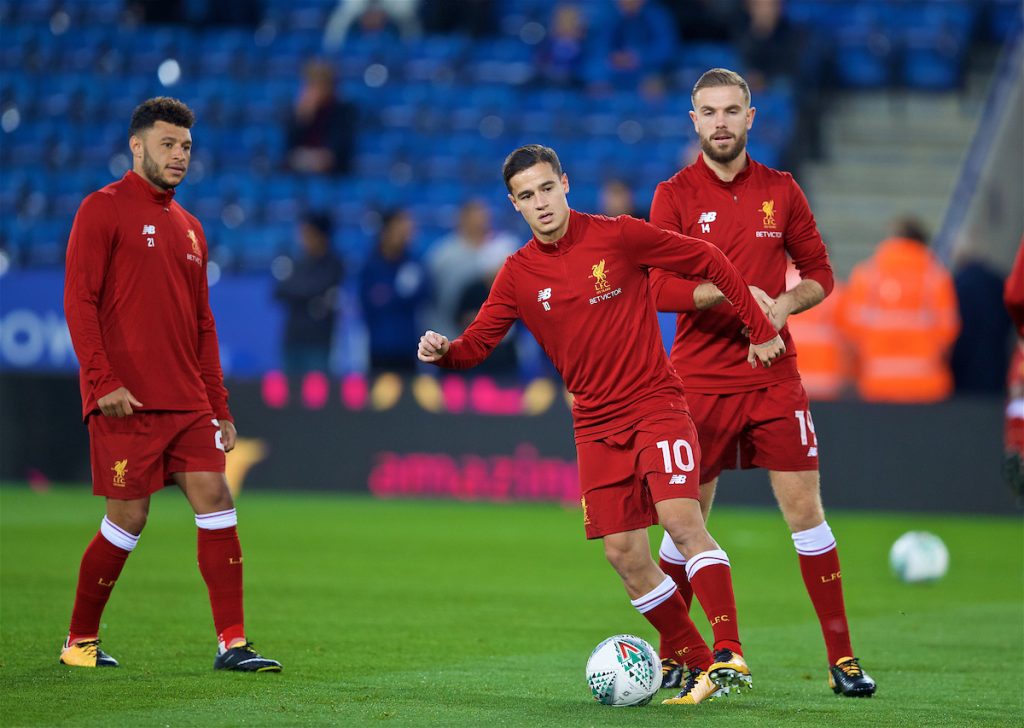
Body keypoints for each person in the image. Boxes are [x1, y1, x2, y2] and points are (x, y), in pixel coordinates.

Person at [418, 144, 787, 705]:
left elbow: (711, 260)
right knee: (624, 555)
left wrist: (758, 327)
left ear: (565, 184)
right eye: (526, 196)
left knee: (680, 520)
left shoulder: (618, 235)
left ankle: (729, 651)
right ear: (513, 206)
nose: (540, 203)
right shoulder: (517, 274)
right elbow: (478, 345)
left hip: (655, 405)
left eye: (546, 188)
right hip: (593, 424)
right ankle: (690, 661)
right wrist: (445, 351)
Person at [648, 68, 875, 697]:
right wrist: (731, 296)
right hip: (697, 381)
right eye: (708, 112)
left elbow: (821, 273)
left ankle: (844, 660)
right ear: (693, 121)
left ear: (752, 117)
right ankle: (678, 651)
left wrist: (782, 304)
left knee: (806, 511)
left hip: (774, 376)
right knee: (685, 520)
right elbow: (660, 288)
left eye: (731, 111)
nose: (720, 122)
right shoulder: (673, 196)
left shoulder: (783, 190)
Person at [61, 97, 281, 672]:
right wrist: (101, 379)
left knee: (217, 498)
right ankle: (79, 641)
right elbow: (79, 302)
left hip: (187, 401)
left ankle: (232, 642)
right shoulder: (101, 210)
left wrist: (219, 404)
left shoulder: (190, 228)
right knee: (128, 518)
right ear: (136, 146)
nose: (179, 155)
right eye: (168, 144)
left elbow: (202, 324)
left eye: (186, 146)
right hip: (125, 401)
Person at [840, 217, 960, 403]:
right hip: (926, 386)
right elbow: (948, 333)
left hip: (876, 385)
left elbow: (851, 333)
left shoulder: (865, 275)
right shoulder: (937, 278)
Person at [427, 199, 518, 337]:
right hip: (454, 334)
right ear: (462, 218)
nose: (480, 221)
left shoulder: (503, 248)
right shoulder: (443, 254)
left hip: (498, 338)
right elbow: (433, 300)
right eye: (474, 216)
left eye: (483, 215)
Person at [360, 209, 431, 373]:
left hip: (408, 347)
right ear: (386, 231)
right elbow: (368, 302)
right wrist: (397, 296)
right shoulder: (371, 265)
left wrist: (388, 296)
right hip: (378, 347)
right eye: (400, 229)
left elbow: (424, 295)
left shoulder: (414, 263)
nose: (405, 234)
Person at [273, 212, 345, 375]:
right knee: (290, 394)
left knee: (316, 394)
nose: (304, 239)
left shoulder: (333, 264)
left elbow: (316, 287)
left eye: (309, 233)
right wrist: (308, 295)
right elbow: (278, 291)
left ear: (321, 236)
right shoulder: (296, 262)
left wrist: (298, 290)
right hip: (293, 339)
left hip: (318, 341)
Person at [285, 60, 357, 176]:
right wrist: (303, 118)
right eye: (310, 84)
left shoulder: (343, 111)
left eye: (318, 83)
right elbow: (288, 150)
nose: (312, 89)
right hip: (299, 173)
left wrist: (322, 159)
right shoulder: (297, 112)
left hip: (334, 178)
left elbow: (339, 150)